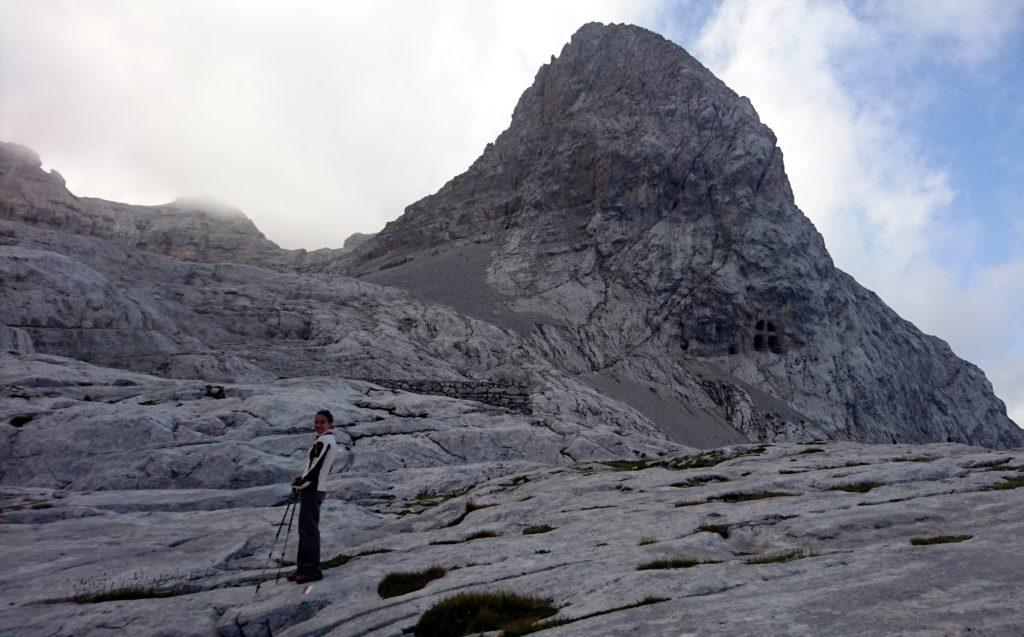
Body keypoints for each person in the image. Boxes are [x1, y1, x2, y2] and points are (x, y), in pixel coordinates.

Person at [288, 409, 338, 583]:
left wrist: (302, 483)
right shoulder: (325, 440)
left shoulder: (324, 440)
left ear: (330, 424)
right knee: (306, 528)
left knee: (309, 530)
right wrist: (302, 478)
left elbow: (316, 469)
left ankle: (311, 570)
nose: (318, 425)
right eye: (316, 422)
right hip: (314, 487)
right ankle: (302, 567)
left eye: (322, 422)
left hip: (313, 488)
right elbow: (317, 467)